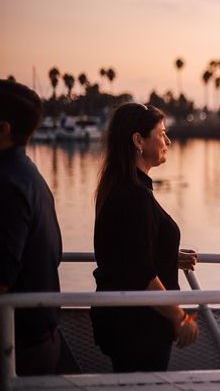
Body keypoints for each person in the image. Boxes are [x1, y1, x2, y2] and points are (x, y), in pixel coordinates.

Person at [90, 102, 198, 372]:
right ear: (138, 140)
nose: (168, 141)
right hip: (139, 328)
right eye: (161, 133)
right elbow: (141, 274)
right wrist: (180, 318)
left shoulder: (126, 188)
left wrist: (169, 257)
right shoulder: (133, 196)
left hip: (130, 323)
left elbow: (127, 250)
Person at [0, 80, 64, 375]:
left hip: (19, 347)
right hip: (38, 338)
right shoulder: (30, 176)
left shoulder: (8, 183)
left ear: (4, 129)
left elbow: (3, 275)